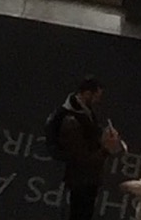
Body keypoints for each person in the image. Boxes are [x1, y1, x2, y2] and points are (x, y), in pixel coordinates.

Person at [49, 78, 121, 220]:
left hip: (87, 179)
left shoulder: (84, 111)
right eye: (96, 96)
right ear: (87, 93)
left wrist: (104, 136)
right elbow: (81, 158)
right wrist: (106, 149)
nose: (97, 101)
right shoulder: (71, 121)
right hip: (81, 180)